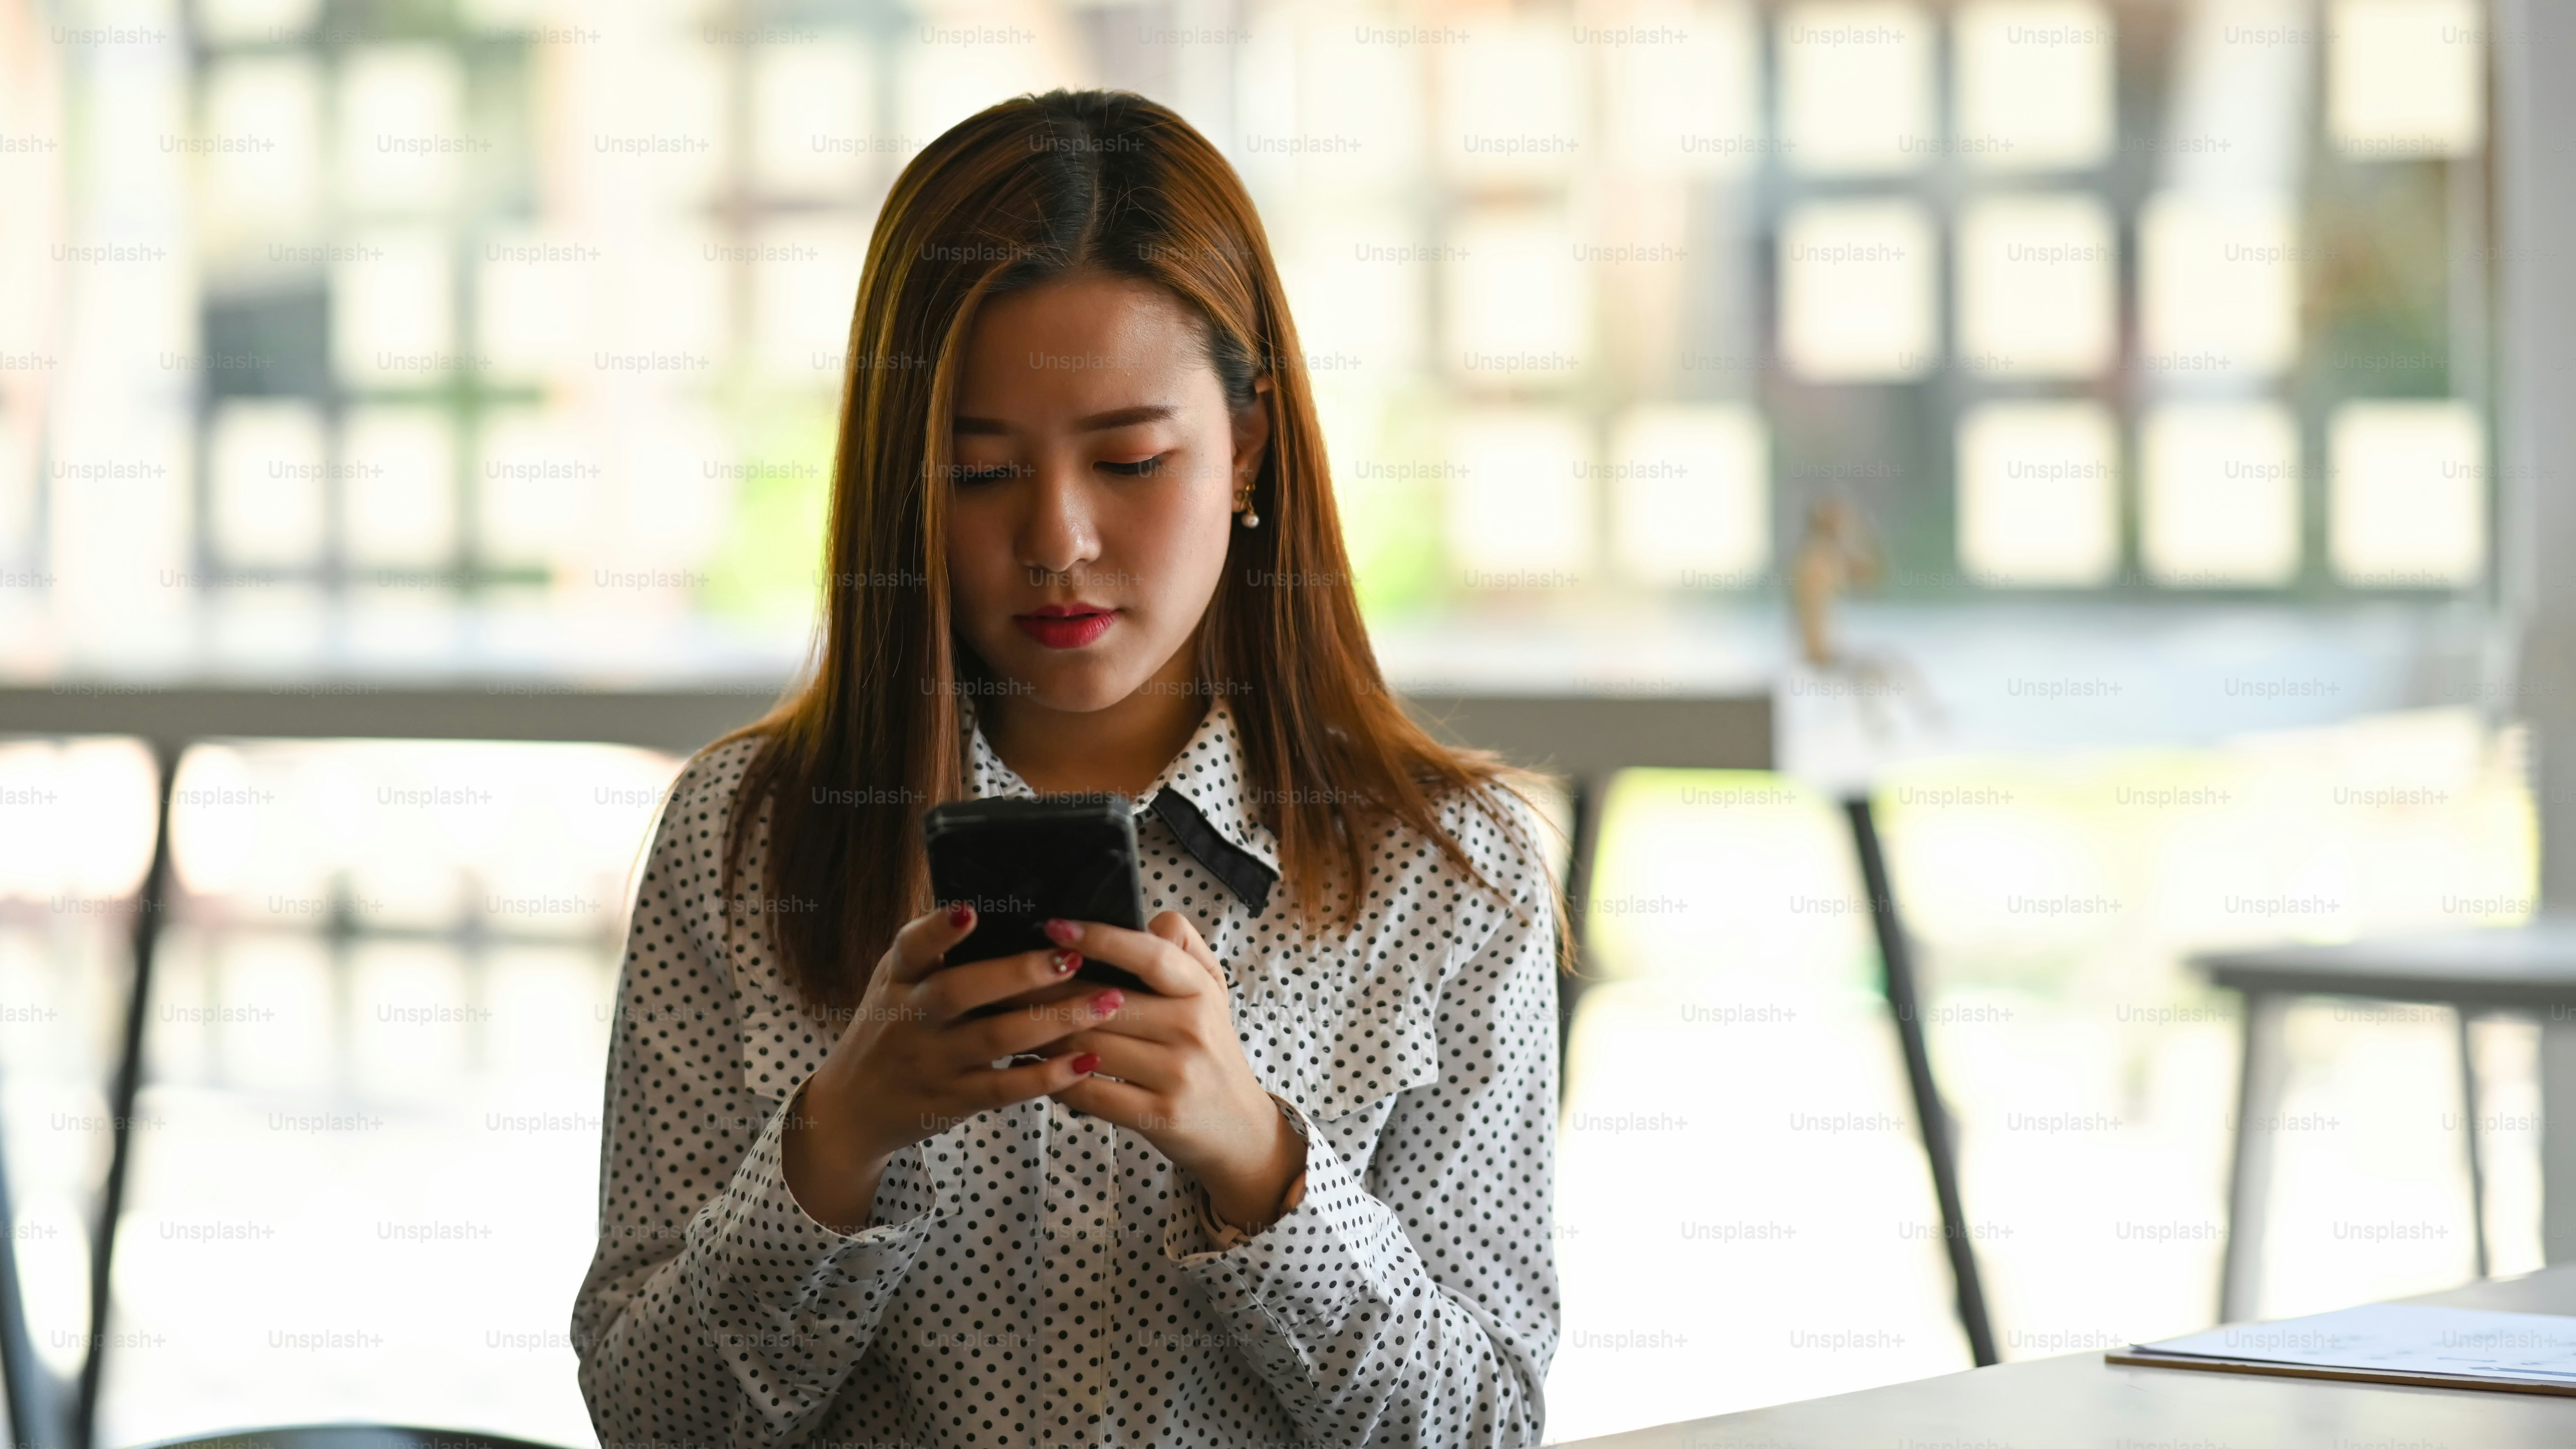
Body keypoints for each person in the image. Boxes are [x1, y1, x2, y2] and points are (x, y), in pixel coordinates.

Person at [571, 89, 1568, 1448]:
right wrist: (834, 1144)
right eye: (979, 474)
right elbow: (644, 1420)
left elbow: (1487, 1427)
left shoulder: (1451, 875)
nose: (1056, 540)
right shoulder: (741, 842)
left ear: (1248, 446)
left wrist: (1263, 1167)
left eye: (1130, 460)